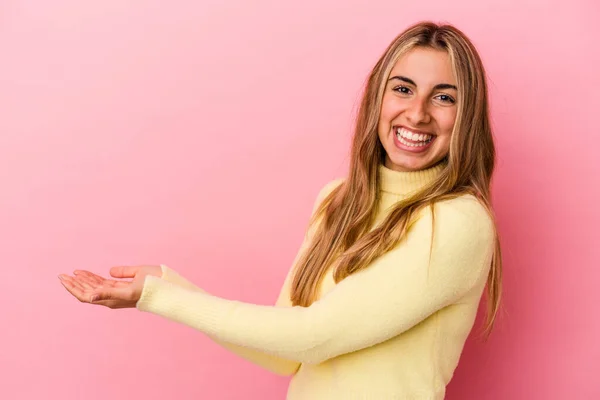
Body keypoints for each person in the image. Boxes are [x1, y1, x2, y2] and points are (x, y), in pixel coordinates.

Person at [58, 20, 503, 399]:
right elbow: (283, 352)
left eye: (444, 97)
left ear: (467, 115)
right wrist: (167, 284)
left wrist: (159, 297)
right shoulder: (338, 201)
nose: (418, 113)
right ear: (378, 99)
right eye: (403, 89)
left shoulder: (458, 222)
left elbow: (314, 336)